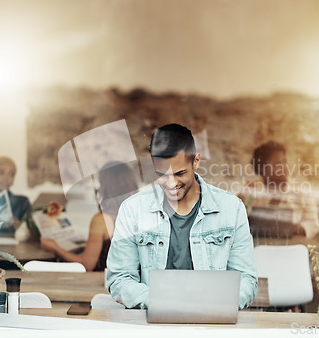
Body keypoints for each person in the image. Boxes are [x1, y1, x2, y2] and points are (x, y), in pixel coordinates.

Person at [106, 124, 258, 309]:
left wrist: (212, 306)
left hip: (213, 320)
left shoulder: (231, 209)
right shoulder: (132, 210)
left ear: (196, 161)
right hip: (152, 320)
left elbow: (247, 280)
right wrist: (160, 304)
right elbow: (120, 279)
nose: (171, 183)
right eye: (162, 175)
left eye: (180, 173)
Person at [40, 161, 139, 271]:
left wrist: (55, 248)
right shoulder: (139, 215)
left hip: (104, 283)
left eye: (101, 184)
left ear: (107, 188)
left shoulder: (102, 220)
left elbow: (87, 265)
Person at [239, 141, 319, 239]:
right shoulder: (250, 191)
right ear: (263, 169)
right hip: (259, 248)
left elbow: (313, 224)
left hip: (292, 248)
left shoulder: (302, 191)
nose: (284, 166)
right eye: (277, 163)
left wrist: (294, 229)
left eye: (284, 161)